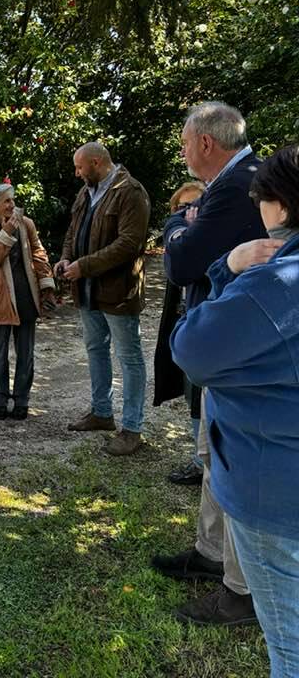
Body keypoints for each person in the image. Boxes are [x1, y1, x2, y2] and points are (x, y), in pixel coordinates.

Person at [171, 144, 299, 676]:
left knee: (289, 646)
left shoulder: (277, 282)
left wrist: (226, 266)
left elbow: (192, 348)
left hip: (274, 486)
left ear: (280, 206)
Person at [152, 102, 265, 626]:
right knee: (211, 454)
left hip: (241, 351)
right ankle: (211, 553)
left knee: (229, 459)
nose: (180, 151)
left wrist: (177, 222)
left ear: (204, 143)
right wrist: (187, 226)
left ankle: (241, 591)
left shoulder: (242, 184)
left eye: (182, 141)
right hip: (226, 348)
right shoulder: (233, 181)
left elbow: (182, 263)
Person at [57, 142, 150, 456]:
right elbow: (73, 231)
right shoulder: (87, 192)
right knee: (96, 349)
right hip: (87, 291)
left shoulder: (131, 192)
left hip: (118, 292)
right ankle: (101, 413)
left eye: (80, 167)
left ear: (96, 163)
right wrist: (66, 258)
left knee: (129, 358)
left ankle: (132, 429)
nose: (77, 173)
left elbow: (129, 244)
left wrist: (83, 266)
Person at [0, 183, 56, 419]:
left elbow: (39, 254)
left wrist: (46, 285)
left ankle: (22, 399)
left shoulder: (26, 223)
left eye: (13, 200)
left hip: (25, 295)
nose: (12, 205)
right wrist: (6, 233)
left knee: (25, 352)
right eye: (7, 201)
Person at [152, 180, 206, 486]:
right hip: (185, 324)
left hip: (205, 329)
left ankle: (203, 463)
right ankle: (200, 459)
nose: (187, 214)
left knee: (201, 395)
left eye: (194, 206)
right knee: (191, 394)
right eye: (180, 208)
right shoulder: (178, 246)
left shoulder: (213, 240)